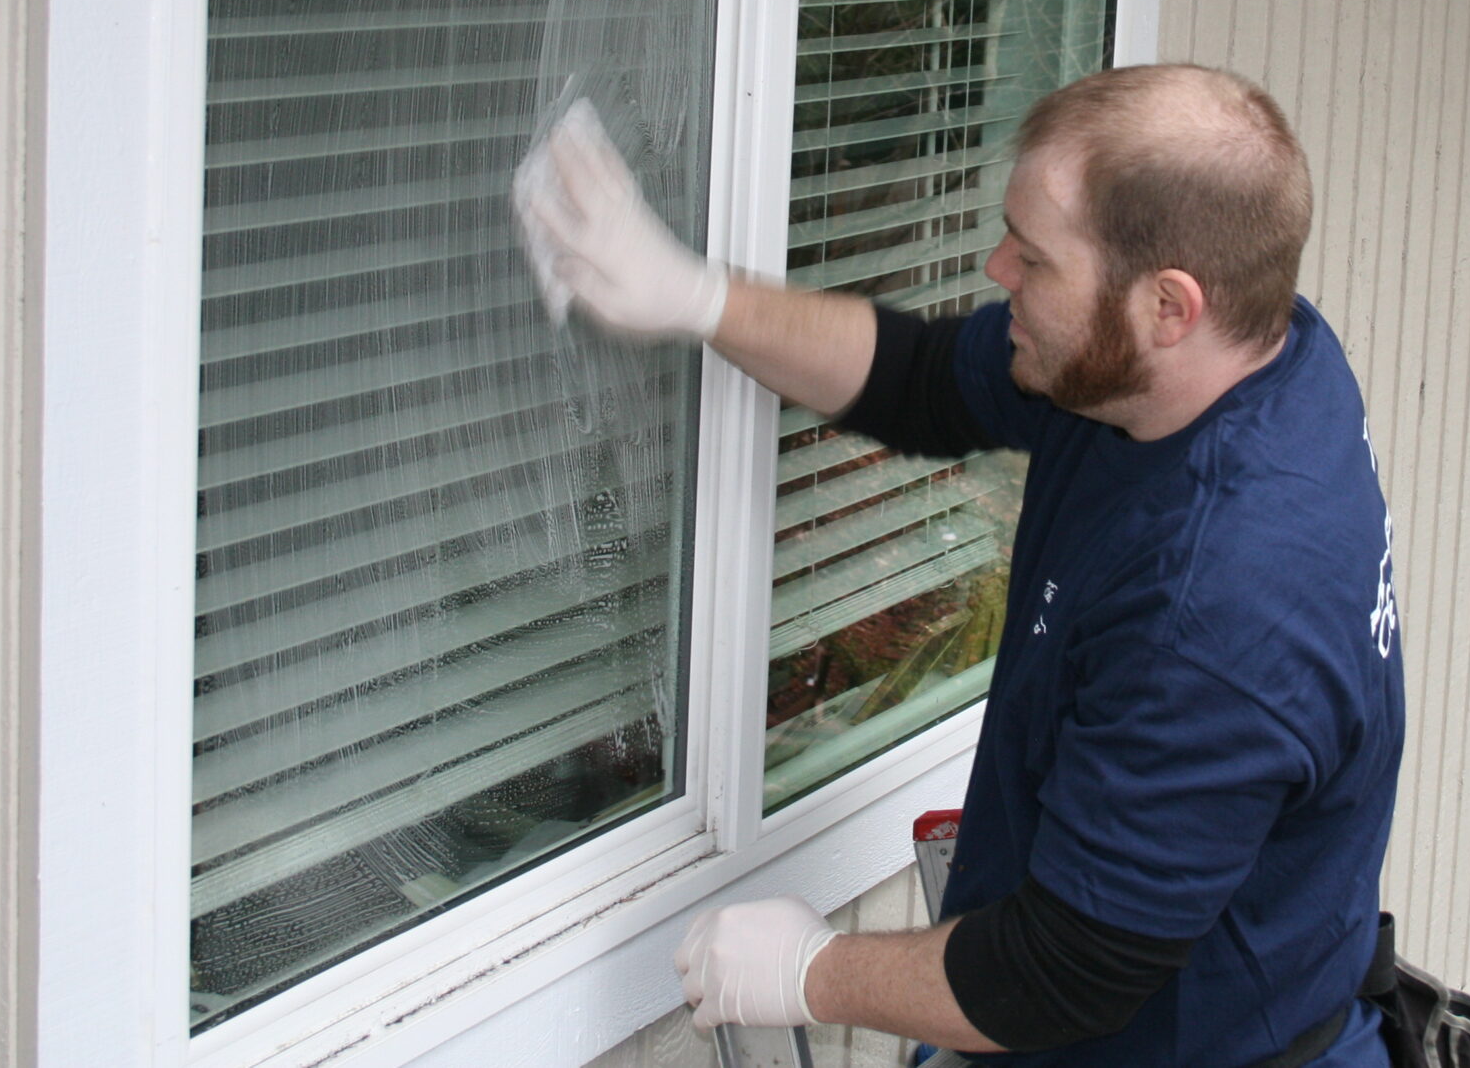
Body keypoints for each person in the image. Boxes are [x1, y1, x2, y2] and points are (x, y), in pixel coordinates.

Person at [512, 63, 1405, 1067]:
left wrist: (811, 970)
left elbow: (1059, 974)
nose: (995, 270)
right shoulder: (1236, 355)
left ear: (1168, 307)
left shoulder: (1228, 605)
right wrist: (697, 296)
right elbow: (926, 380)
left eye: (1034, 259)